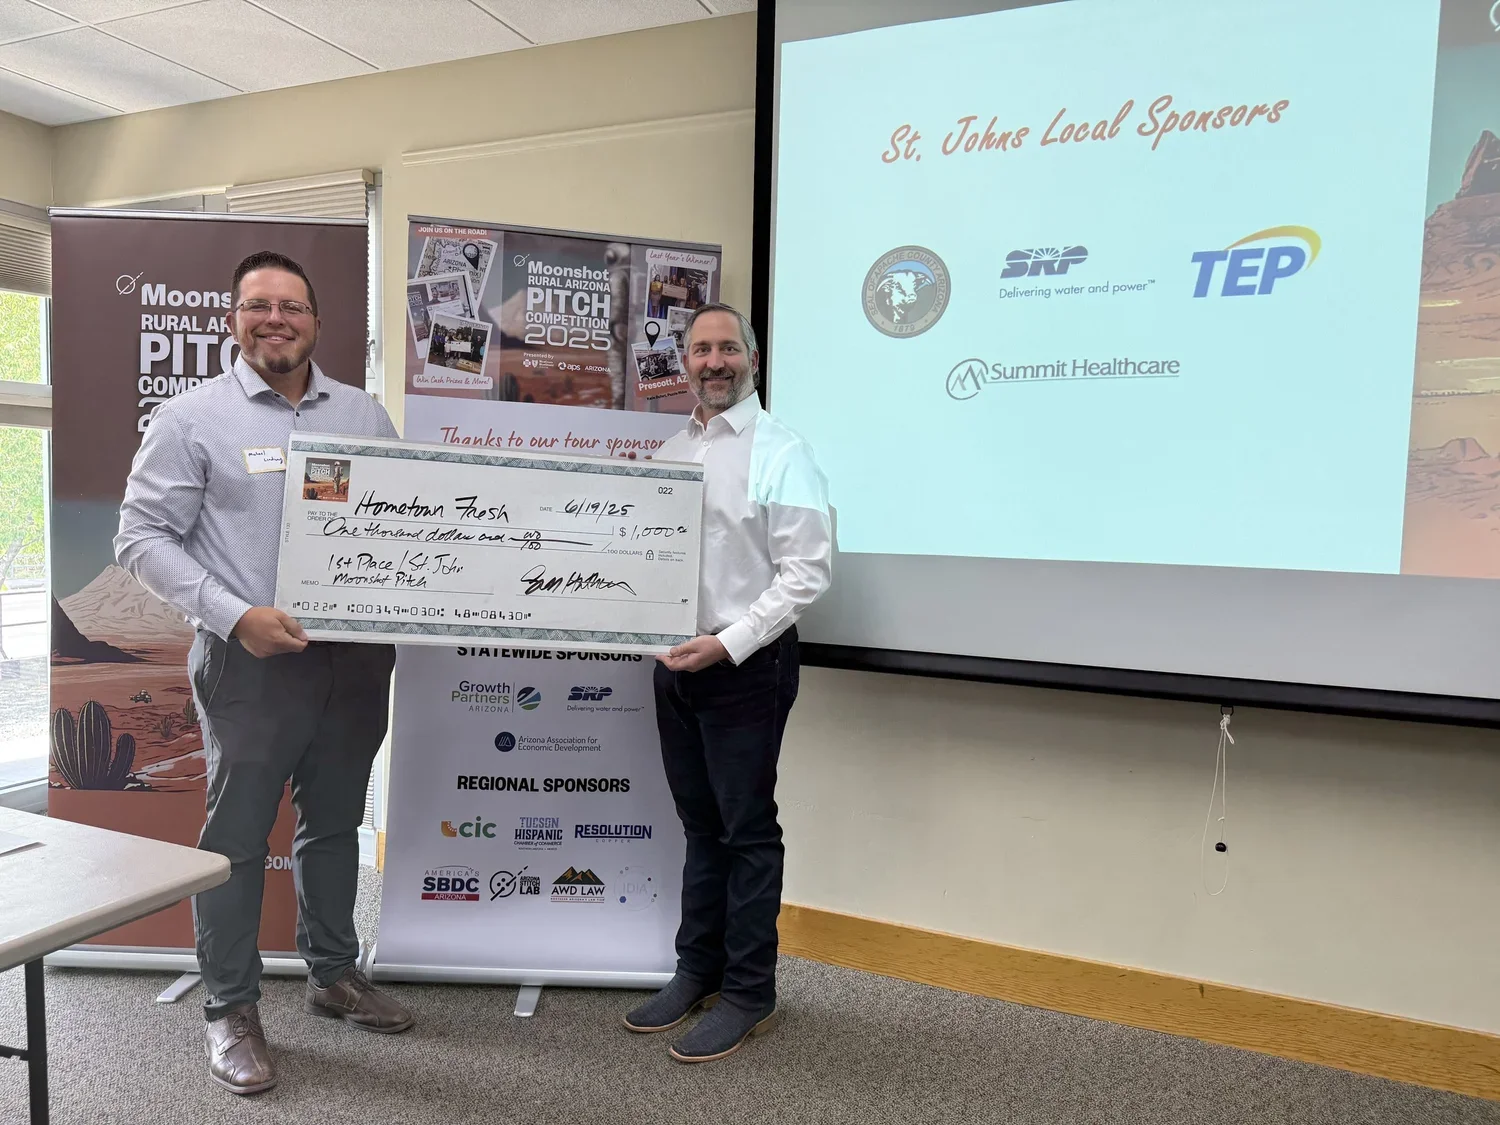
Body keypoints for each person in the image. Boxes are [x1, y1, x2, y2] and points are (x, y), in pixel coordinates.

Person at [116, 250, 414, 1097]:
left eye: (292, 306)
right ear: (234, 320)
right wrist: (233, 613)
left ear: (317, 322)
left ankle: (333, 973)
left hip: (354, 660)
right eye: (259, 305)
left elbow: (405, 520)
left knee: (335, 822)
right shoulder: (191, 418)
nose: (275, 318)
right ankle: (231, 1007)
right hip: (248, 661)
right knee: (238, 837)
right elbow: (139, 539)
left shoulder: (362, 413)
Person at [622, 303, 833, 1062]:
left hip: (747, 668)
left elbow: (807, 573)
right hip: (674, 668)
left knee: (747, 832)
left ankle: (749, 992)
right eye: (700, 350)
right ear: (684, 363)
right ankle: (697, 972)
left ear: (753, 359)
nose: (714, 362)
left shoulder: (783, 452)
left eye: (727, 349)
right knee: (700, 827)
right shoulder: (672, 452)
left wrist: (728, 642)